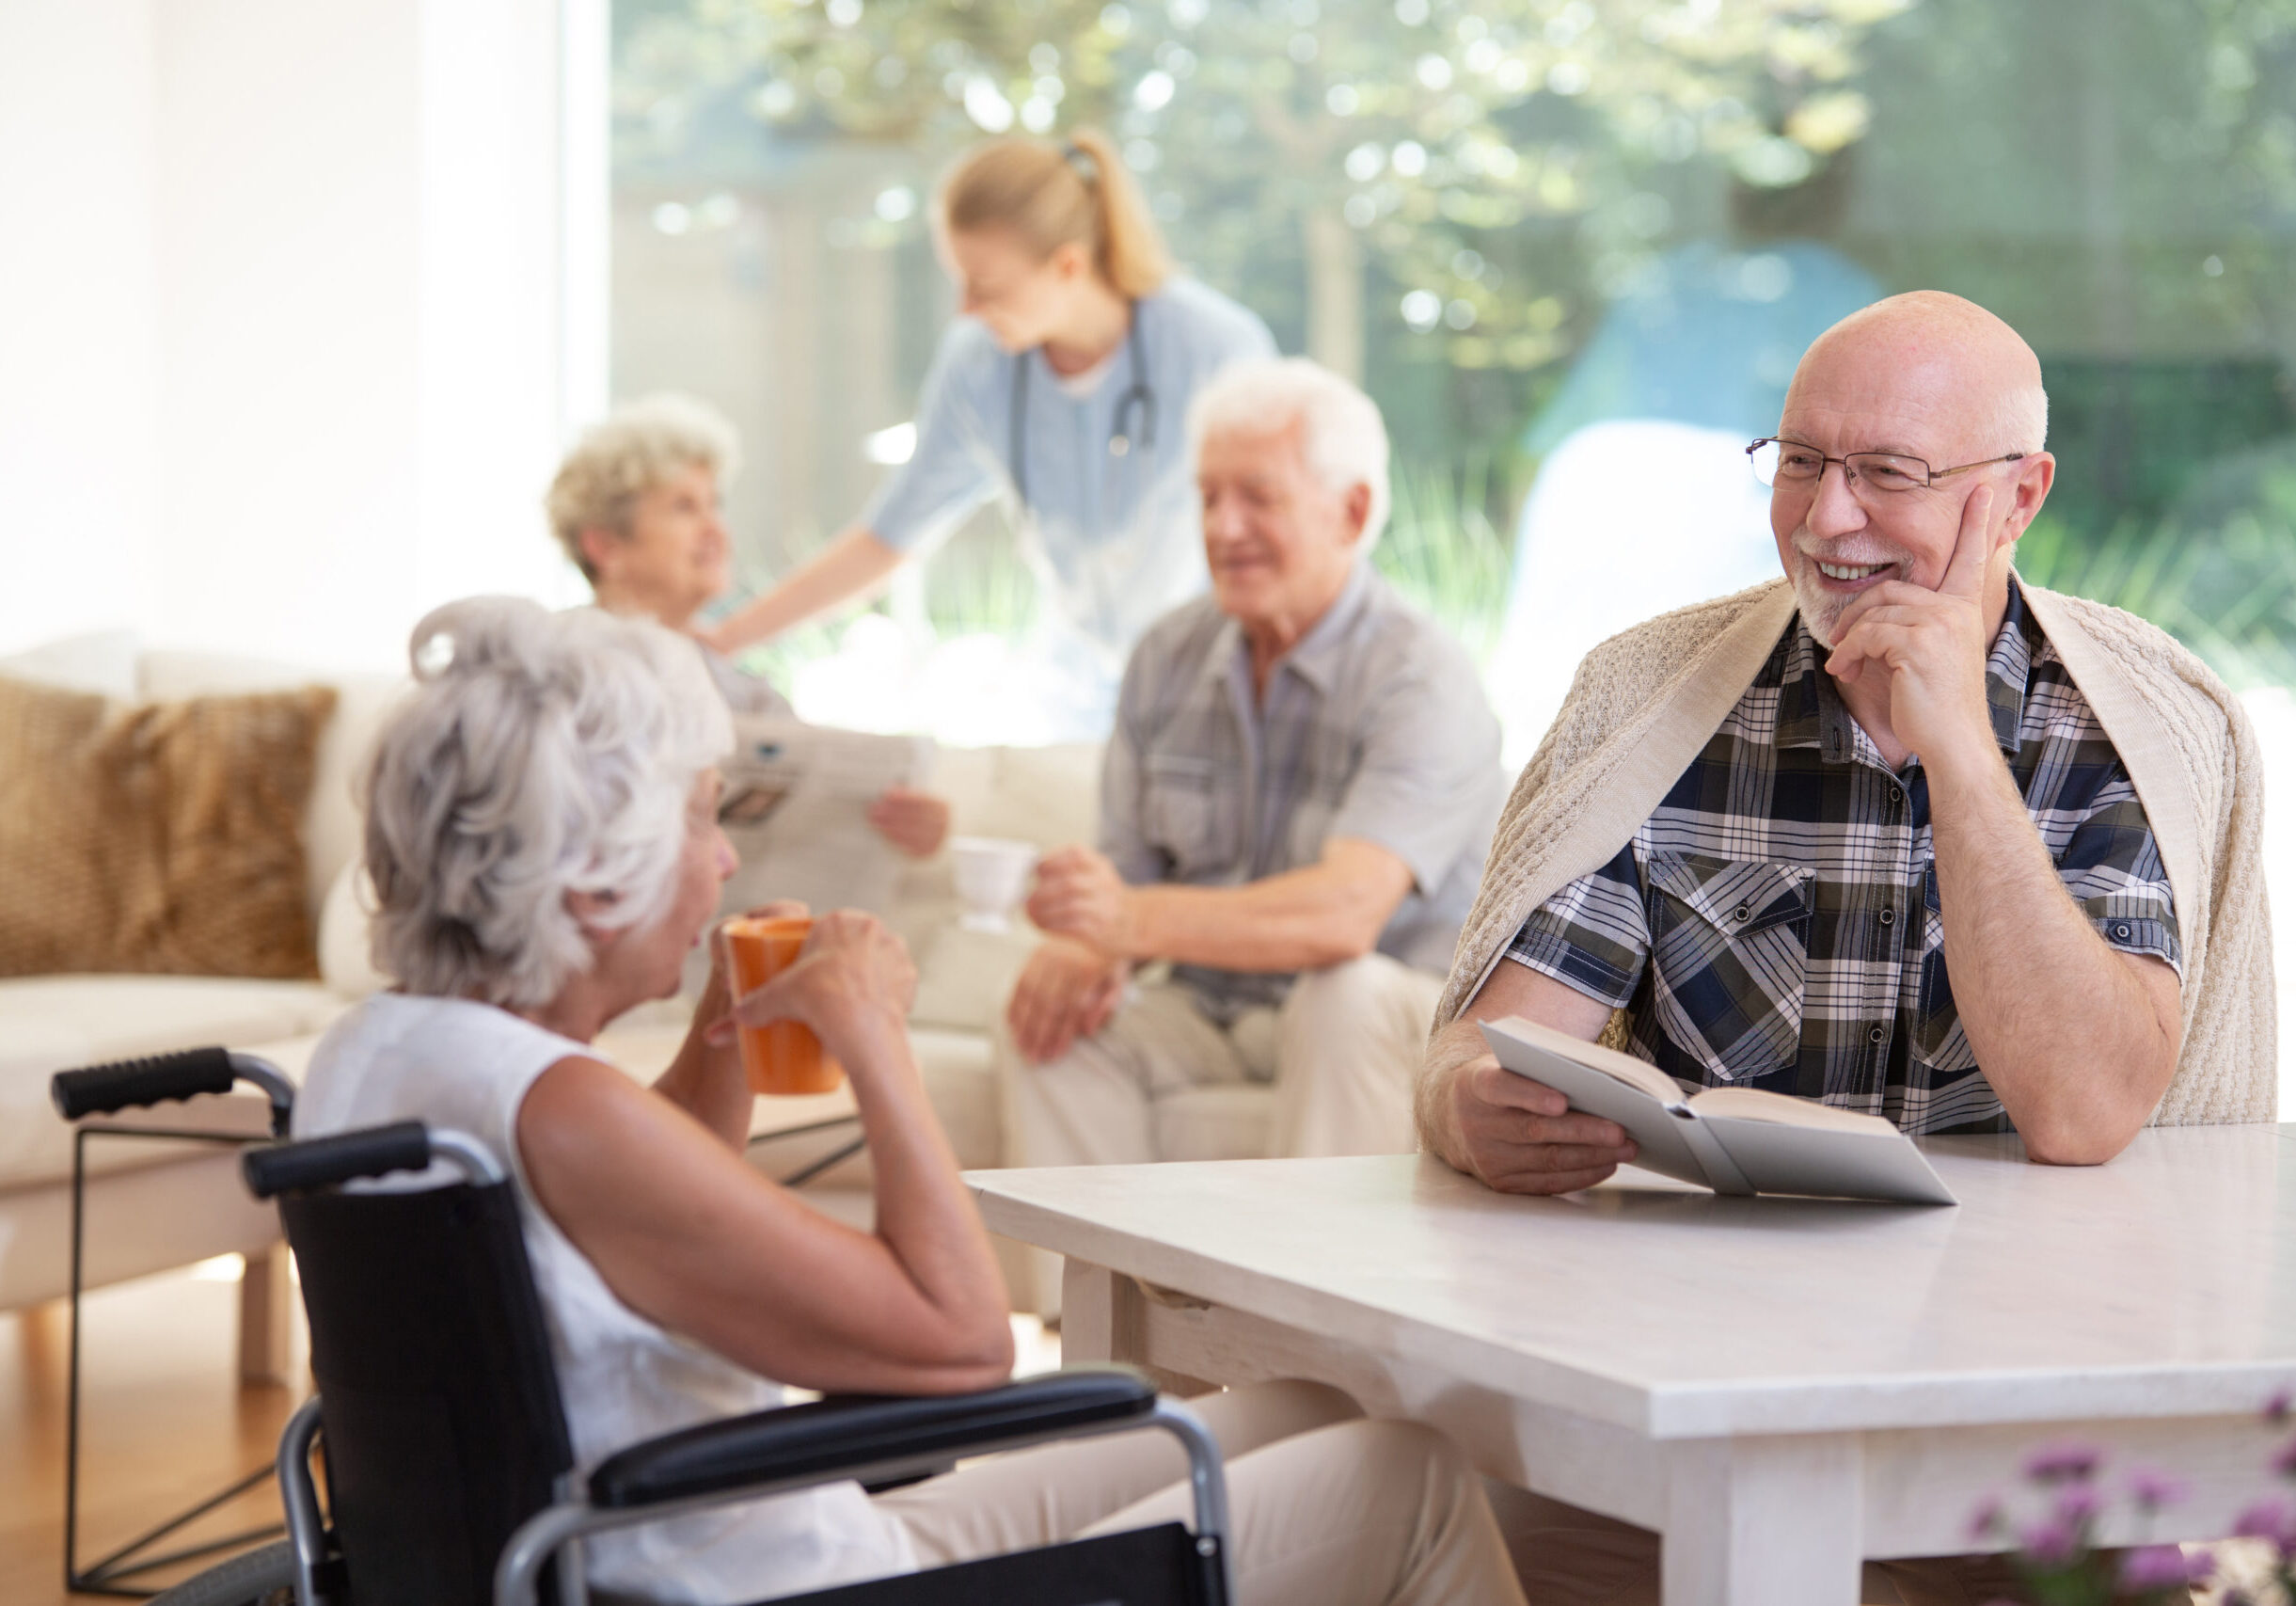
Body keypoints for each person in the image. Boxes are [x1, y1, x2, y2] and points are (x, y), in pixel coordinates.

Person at [297, 596, 1532, 1606]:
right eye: (699, 821)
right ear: (588, 877)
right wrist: (874, 1036)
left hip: (691, 1535)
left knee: (1308, 1407)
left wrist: (737, 1005)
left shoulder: (387, 1058)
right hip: (777, 1578)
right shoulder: (565, 1108)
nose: (725, 858)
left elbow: (633, 1206)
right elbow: (956, 1345)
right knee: (1406, 1474)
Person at [1417, 291, 2272, 1605]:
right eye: (1802, 461)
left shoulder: (2139, 727)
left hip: (2023, 1446)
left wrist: (1961, 760)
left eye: (1887, 473)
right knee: (1411, 1498)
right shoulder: (1650, 698)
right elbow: (1486, 1049)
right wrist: (1478, 1111)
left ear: (2018, 497)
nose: (1824, 520)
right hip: (1693, 1405)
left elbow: (2086, 1107)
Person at [1002, 358, 1503, 1230]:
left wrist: (1129, 923)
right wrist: (1088, 942)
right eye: (1206, 498)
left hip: (1383, 1008)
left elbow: (1342, 916)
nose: (1221, 528)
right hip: (1212, 1003)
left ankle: (1319, 1330)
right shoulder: (1167, 655)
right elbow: (1122, 881)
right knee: (1046, 1024)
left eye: (1257, 498)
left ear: (1348, 511)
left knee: (1337, 993)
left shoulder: (1422, 676)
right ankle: (1091, 1345)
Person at [701, 129, 1276, 735]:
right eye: (960, 282)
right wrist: (725, 639)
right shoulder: (980, 364)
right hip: (1073, 702)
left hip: (1210, 695)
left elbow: (1277, 539)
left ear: (1068, 266)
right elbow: (889, 537)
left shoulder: (1213, 349)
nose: (966, 309)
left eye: (988, 286)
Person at [545, 392, 948, 857]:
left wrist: (912, 826)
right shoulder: (551, 669)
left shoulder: (747, 693)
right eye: (684, 507)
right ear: (605, 545)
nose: (716, 529)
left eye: (715, 505)